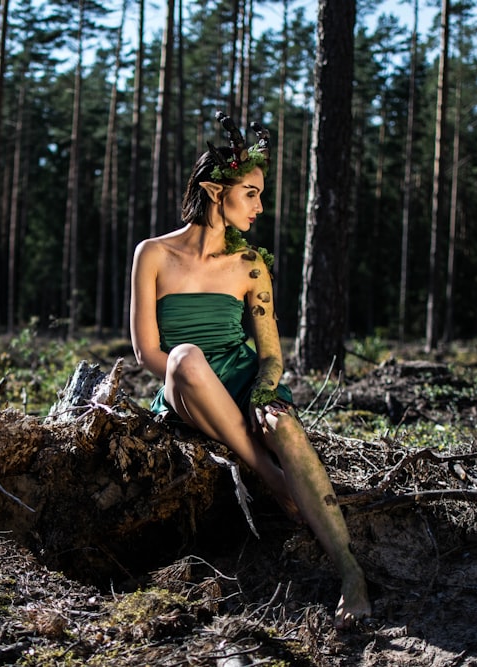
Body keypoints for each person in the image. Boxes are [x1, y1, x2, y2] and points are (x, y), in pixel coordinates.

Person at [129, 111, 371, 630]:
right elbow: (147, 351)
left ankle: (350, 571)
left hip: (243, 380)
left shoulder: (251, 265)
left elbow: (271, 355)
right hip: (183, 384)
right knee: (184, 357)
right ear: (216, 191)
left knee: (285, 426)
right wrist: (185, 376)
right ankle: (272, 479)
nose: (261, 206)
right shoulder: (152, 254)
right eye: (252, 193)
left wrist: (265, 391)